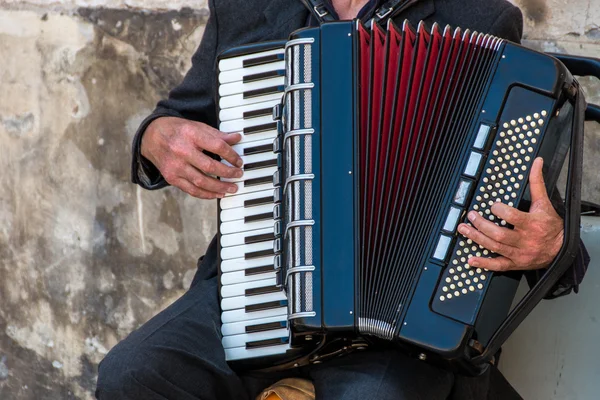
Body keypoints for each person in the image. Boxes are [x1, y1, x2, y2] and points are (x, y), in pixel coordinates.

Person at [96, 1, 589, 399]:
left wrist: (551, 245)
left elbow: (528, 192)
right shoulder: (244, 8)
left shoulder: (477, 18)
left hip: (403, 325)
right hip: (257, 285)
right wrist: (156, 138)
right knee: (132, 376)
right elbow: (177, 118)